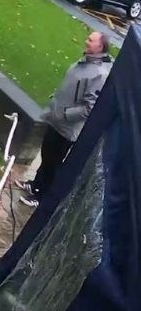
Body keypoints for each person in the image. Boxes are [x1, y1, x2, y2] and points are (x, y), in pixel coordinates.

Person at [18, 31, 113, 207]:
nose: (86, 41)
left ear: (100, 47)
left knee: (53, 162)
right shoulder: (85, 60)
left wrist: (65, 114)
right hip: (56, 119)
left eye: (90, 40)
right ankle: (36, 185)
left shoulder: (99, 74)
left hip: (67, 128)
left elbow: (89, 107)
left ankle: (41, 196)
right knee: (46, 155)